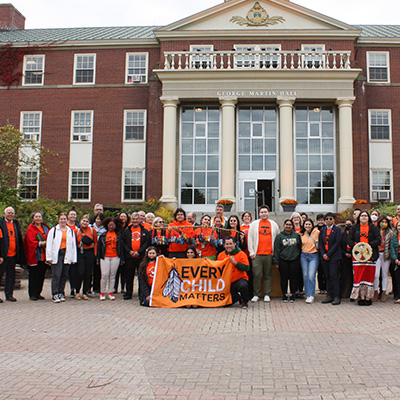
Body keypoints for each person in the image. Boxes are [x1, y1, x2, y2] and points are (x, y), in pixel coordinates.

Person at [247, 205, 279, 303]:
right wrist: (251, 252)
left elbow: (277, 239)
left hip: (269, 254)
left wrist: (275, 253)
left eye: (265, 212)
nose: (263, 214)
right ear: (259, 213)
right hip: (257, 254)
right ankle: (256, 294)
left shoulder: (273, 224)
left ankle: (266, 294)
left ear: (268, 213)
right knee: (257, 274)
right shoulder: (254, 224)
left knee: (268, 275)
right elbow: (250, 238)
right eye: (262, 212)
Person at [348, 211, 381, 306]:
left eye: (365, 216)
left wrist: (367, 246)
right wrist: (357, 246)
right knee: (359, 276)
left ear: (368, 217)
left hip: (370, 256)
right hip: (358, 256)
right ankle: (361, 297)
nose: (364, 217)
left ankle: (368, 297)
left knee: (369, 276)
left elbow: (378, 240)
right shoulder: (354, 228)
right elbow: (349, 239)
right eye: (362, 216)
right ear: (359, 218)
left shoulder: (373, 228)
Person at [46, 213, 77, 303]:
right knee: (57, 275)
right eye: (61, 219)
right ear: (58, 220)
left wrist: (73, 258)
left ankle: (61, 292)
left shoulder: (70, 231)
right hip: (57, 255)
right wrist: (49, 257)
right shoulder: (54, 230)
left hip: (67, 254)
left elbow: (73, 245)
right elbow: (49, 244)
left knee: (64, 275)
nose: (63, 221)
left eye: (64, 219)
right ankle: (55, 293)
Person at [0, 207, 26, 302]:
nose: (10, 214)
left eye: (12, 213)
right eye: (9, 213)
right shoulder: (1, 224)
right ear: (4, 213)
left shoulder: (15, 224)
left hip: (13, 255)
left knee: (11, 276)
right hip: (3, 256)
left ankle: (9, 294)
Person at [122, 212, 150, 300]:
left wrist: (139, 251)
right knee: (129, 276)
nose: (135, 221)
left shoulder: (144, 231)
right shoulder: (127, 231)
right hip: (129, 257)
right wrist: (129, 251)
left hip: (140, 257)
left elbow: (147, 243)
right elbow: (124, 243)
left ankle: (141, 293)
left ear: (139, 220)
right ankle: (128, 293)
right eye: (133, 219)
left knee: (141, 276)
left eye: (136, 219)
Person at [273, 219, 302, 302]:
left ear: (292, 226)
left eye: (290, 225)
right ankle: (284, 295)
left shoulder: (296, 235)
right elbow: (276, 249)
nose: (288, 226)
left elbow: (299, 247)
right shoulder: (279, 236)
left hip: (294, 259)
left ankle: (292, 294)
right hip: (283, 260)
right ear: (284, 225)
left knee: (294, 278)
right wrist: (276, 261)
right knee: (284, 278)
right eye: (286, 224)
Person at [23, 211, 49, 301]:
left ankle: (38, 293)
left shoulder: (45, 228)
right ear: (33, 218)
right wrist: (40, 243)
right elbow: (29, 242)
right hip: (35, 255)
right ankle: (32, 294)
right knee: (33, 275)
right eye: (36, 216)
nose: (38, 218)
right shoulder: (31, 229)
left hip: (43, 256)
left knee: (41, 275)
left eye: (39, 216)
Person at [218, 236, 250, 309]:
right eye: (227, 244)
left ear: (234, 244)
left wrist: (235, 263)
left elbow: (247, 268)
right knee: (225, 304)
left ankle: (245, 301)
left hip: (239, 280)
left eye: (230, 244)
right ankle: (238, 298)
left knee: (243, 285)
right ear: (224, 245)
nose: (229, 246)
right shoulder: (221, 255)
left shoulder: (241, 254)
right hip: (227, 282)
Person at [97, 217, 124, 301]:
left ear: (116, 226)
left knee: (112, 275)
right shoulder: (103, 235)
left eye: (113, 225)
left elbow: (121, 248)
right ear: (106, 225)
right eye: (110, 225)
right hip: (105, 257)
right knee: (104, 275)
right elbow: (99, 248)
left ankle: (110, 292)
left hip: (115, 257)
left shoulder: (118, 235)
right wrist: (98, 258)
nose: (111, 226)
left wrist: (122, 259)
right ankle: (102, 292)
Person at [319, 213, 342, 305]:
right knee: (327, 276)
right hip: (324, 257)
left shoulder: (337, 230)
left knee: (333, 276)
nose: (328, 220)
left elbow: (337, 243)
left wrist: (328, 254)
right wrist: (323, 254)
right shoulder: (323, 230)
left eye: (330, 219)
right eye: (327, 219)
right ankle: (329, 295)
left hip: (334, 257)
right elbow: (320, 243)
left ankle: (336, 296)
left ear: (334, 220)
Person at [75, 215, 98, 300]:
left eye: (86, 221)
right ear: (81, 221)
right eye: (83, 221)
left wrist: (95, 254)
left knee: (88, 273)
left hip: (90, 252)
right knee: (80, 272)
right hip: (80, 252)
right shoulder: (76, 231)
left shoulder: (92, 231)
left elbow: (95, 242)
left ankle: (85, 292)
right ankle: (77, 292)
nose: (85, 223)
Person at [373, 216, 393, 302]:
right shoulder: (375, 231)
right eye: (382, 221)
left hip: (386, 255)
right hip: (377, 254)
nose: (383, 223)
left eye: (385, 222)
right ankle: (375, 291)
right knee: (376, 275)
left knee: (385, 274)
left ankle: (384, 292)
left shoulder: (390, 232)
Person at [300, 218, 320, 304]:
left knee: (311, 275)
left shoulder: (317, 232)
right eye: (306, 224)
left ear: (312, 225)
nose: (307, 226)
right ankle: (307, 294)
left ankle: (311, 295)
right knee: (305, 275)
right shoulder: (301, 234)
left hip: (313, 255)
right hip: (304, 255)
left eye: (309, 224)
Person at [90, 212, 106, 295]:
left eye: (100, 219)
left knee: (98, 270)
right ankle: (89, 287)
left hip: (101, 251)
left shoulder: (105, 229)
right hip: (91, 250)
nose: (98, 220)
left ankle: (97, 287)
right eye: (97, 218)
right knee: (89, 270)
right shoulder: (91, 227)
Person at [114, 212, 130, 293]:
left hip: (125, 250)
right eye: (121, 216)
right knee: (116, 270)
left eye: (124, 216)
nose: (123, 218)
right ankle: (115, 287)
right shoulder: (116, 227)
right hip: (117, 250)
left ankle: (123, 287)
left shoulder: (129, 227)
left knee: (124, 271)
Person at [66, 208, 79, 298]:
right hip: (66, 251)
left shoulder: (78, 226)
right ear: (68, 216)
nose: (73, 216)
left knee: (74, 272)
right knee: (65, 271)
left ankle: (73, 289)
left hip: (76, 251)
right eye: (71, 214)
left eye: (74, 215)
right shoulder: (64, 226)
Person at [240, 211, 253, 300]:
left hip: (251, 253)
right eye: (245, 216)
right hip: (242, 254)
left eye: (248, 216)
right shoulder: (240, 227)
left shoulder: (253, 226)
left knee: (251, 274)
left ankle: (250, 293)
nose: (247, 217)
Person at [340, 218, 354, 299]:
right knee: (344, 275)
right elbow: (340, 245)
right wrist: (345, 253)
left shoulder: (355, 234)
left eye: (350, 224)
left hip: (353, 257)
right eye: (346, 225)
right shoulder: (342, 234)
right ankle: (344, 293)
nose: (348, 226)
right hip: (344, 257)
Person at [315, 213, 327, 294]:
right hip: (317, 252)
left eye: (322, 220)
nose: (320, 222)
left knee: (325, 270)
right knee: (319, 271)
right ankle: (321, 288)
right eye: (319, 220)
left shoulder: (326, 228)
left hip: (325, 252)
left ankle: (326, 287)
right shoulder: (315, 229)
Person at [389, 221, 400, 304]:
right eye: (399, 226)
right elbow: (392, 249)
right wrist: (395, 259)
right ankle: (398, 296)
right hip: (396, 258)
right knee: (397, 279)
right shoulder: (394, 237)